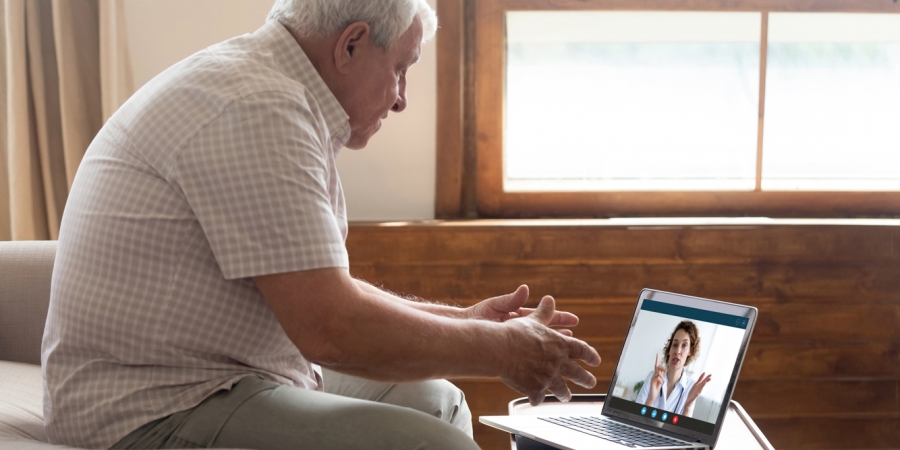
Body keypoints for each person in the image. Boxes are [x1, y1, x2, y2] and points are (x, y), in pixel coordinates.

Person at [41, 1, 601, 449]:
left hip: (224, 371)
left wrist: (465, 322)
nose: (403, 98)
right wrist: (500, 349)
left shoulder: (268, 88)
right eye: (401, 69)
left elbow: (316, 288)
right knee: (432, 443)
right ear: (351, 43)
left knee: (438, 399)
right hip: (151, 405)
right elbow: (331, 328)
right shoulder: (258, 108)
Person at [634, 321, 711, 417]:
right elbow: (635, 418)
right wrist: (651, 398)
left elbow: (683, 431)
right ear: (669, 349)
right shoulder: (652, 377)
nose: (677, 351)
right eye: (675, 344)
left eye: (684, 345)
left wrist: (687, 407)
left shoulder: (691, 387)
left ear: (690, 351)